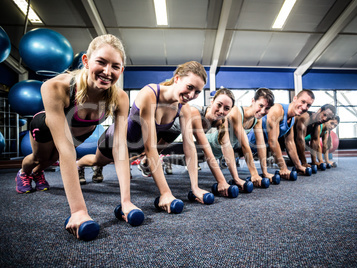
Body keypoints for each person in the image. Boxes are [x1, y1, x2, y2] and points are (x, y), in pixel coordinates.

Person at [15, 34, 133, 239]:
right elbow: (66, 149)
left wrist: (127, 202)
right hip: (46, 127)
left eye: (115, 66)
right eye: (101, 62)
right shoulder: (56, 87)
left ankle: (38, 172)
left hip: (78, 132)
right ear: (86, 61)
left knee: (51, 160)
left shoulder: (120, 97)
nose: (107, 71)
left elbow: (120, 148)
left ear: (121, 70)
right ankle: (24, 173)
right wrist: (78, 211)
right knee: (40, 158)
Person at [77, 61, 208, 212]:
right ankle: (78, 165)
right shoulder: (150, 94)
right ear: (177, 79)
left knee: (111, 162)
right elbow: (151, 147)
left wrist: (195, 187)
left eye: (197, 92)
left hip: (136, 147)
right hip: (115, 140)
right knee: (97, 161)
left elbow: (189, 148)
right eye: (190, 87)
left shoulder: (183, 109)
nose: (192, 95)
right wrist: (165, 193)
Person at [156, 88, 237, 196]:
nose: (221, 111)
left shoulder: (221, 120)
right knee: (144, 152)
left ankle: (145, 162)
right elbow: (206, 150)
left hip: (176, 131)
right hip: (164, 126)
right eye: (219, 105)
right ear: (212, 102)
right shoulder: (195, 112)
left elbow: (227, 147)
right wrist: (221, 181)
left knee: (152, 154)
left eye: (226, 108)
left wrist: (236, 178)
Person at [248, 89, 315, 180]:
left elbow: (290, 143)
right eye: (303, 102)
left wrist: (298, 165)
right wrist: (283, 168)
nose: (304, 107)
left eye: (308, 105)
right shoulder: (278, 110)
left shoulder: (292, 119)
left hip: (259, 149)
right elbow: (272, 141)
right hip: (244, 144)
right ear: (295, 98)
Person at [217, 88, 275, 187]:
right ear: (253, 101)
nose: (262, 111)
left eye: (267, 108)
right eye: (260, 106)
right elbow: (244, 144)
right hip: (213, 147)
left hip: (228, 149)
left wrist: (264, 172)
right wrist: (254, 174)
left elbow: (261, 145)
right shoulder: (237, 111)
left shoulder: (257, 119)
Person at [293, 104, 336, 168]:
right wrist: (304, 163)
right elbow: (300, 140)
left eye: (328, 118)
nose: (324, 119)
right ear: (320, 110)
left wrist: (314, 162)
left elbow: (315, 141)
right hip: (282, 139)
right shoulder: (305, 118)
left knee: (292, 162)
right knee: (293, 162)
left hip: (293, 141)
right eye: (324, 115)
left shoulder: (317, 123)